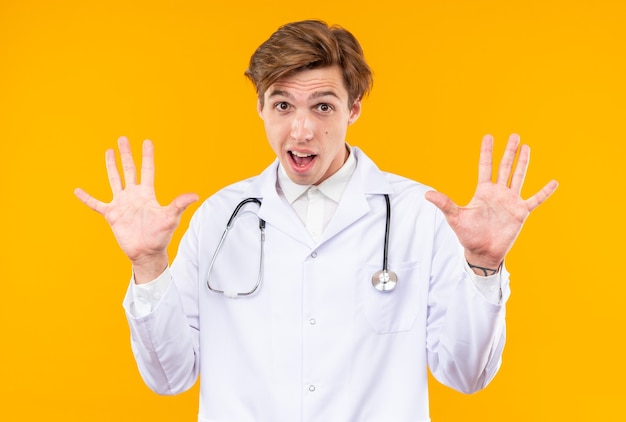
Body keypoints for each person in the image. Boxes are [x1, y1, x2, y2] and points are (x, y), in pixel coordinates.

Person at [75, 20, 558, 422]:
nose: (302, 130)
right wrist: (148, 265)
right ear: (260, 107)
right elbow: (170, 376)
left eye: (323, 106)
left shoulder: (416, 213)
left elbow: (466, 374)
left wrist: (483, 265)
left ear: (354, 108)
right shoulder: (220, 218)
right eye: (283, 105)